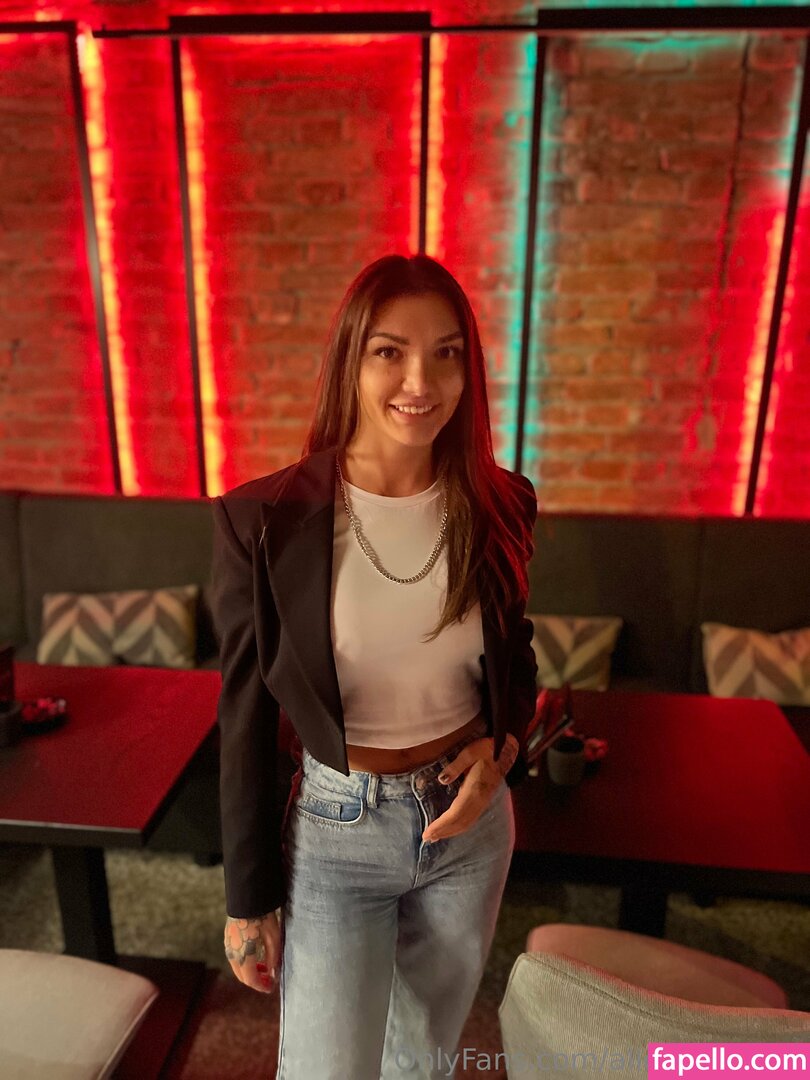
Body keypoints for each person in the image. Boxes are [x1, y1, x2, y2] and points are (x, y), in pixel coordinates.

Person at [209, 253, 538, 1079]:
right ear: (350, 360)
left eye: (446, 353)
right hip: (338, 830)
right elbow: (244, 714)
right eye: (390, 351)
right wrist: (248, 898)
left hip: (469, 828)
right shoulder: (263, 519)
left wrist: (501, 752)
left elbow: (517, 656)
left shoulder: (501, 501)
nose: (420, 381)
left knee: (421, 1065)